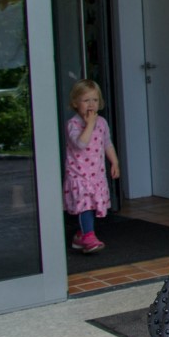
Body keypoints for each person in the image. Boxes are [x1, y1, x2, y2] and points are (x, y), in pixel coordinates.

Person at [63, 79, 119, 254]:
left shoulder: (101, 122)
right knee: (85, 205)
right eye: (86, 100)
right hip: (78, 174)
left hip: (96, 174)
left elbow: (107, 143)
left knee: (93, 205)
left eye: (94, 100)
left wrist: (114, 162)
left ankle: (81, 236)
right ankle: (89, 236)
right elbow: (81, 143)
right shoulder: (73, 124)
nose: (91, 104)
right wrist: (89, 124)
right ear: (75, 103)